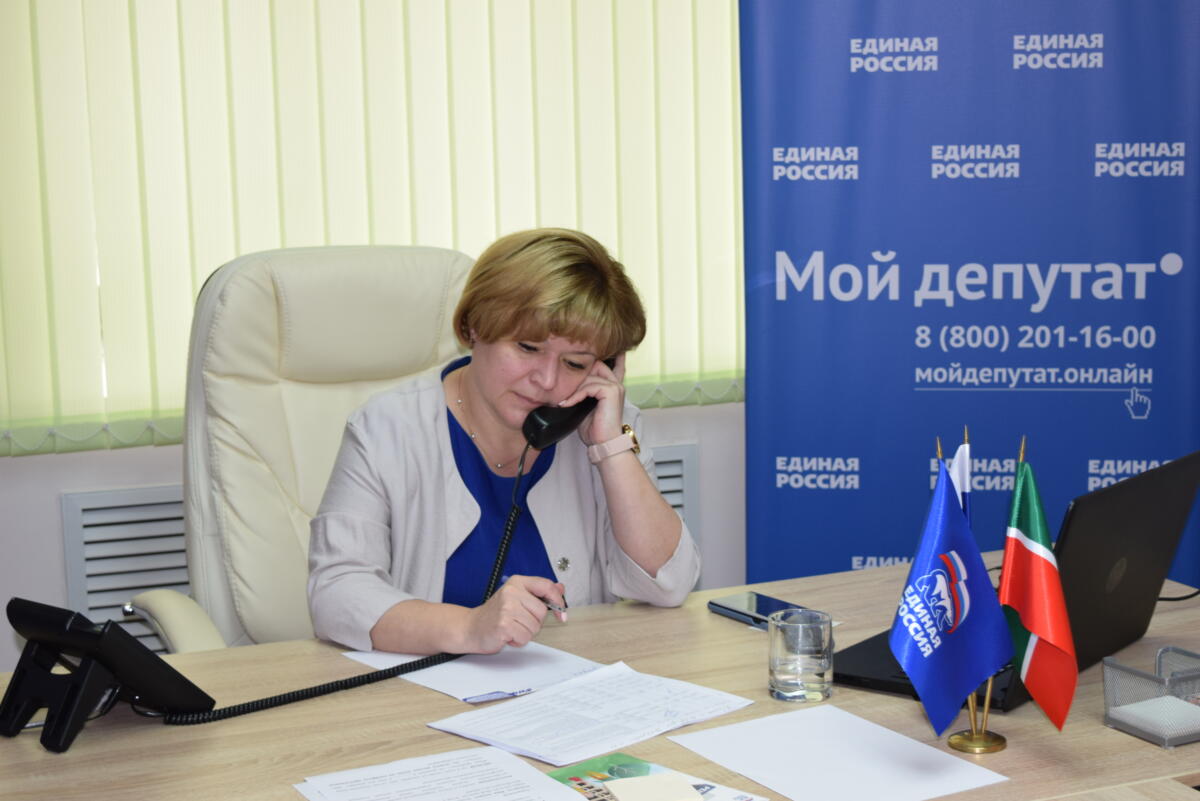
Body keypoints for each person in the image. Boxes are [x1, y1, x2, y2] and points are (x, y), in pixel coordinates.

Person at [307, 228, 701, 655]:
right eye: (528, 348)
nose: (546, 380)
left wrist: (610, 447)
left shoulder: (607, 427)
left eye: (574, 363)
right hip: (422, 687)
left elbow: (670, 585)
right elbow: (336, 592)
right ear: (474, 326)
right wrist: (469, 627)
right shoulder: (387, 429)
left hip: (572, 683)